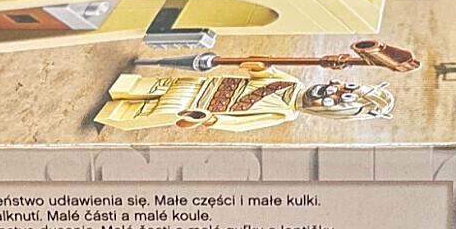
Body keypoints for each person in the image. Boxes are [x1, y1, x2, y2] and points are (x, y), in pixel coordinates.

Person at [94, 70, 394, 132]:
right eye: (343, 87)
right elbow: (262, 72)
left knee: (151, 110)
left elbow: (244, 124)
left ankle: (118, 113)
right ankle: (126, 88)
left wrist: (212, 120)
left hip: (201, 107)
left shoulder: (284, 113)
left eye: (337, 100)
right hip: (204, 84)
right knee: (156, 86)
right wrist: (259, 67)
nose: (330, 91)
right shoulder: (292, 81)